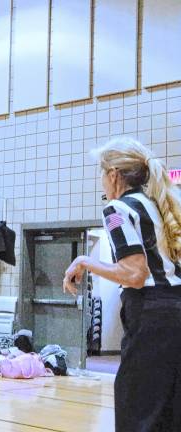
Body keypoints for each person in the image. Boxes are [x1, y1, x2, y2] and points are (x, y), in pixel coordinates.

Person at [64, 137, 181, 432]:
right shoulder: (158, 205)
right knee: (169, 409)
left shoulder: (116, 210)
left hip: (151, 315)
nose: (101, 181)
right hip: (175, 310)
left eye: (101, 174)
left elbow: (134, 273)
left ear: (113, 174)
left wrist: (84, 262)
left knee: (137, 409)